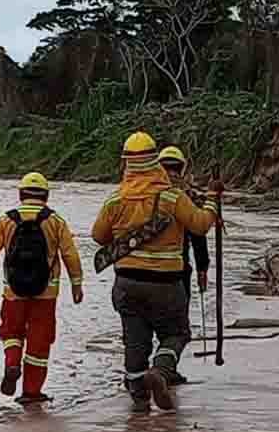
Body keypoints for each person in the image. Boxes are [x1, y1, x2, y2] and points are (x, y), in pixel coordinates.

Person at [92, 132, 220, 413]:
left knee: (135, 340)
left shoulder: (115, 199)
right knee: (176, 333)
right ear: (154, 162)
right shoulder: (172, 198)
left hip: (126, 284)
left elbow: (99, 236)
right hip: (167, 284)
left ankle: (138, 399)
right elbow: (199, 226)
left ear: (125, 162)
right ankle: (161, 371)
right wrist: (211, 202)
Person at [0, 172, 84, 405]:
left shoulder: (6, 220)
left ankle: (12, 362)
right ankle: (31, 392)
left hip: (13, 294)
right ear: (46, 195)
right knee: (40, 341)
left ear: (20, 194)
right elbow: (70, 256)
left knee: (10, 332)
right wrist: (77, 284)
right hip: (45, 295)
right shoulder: (56, 221)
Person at [156, 146, 210, 386]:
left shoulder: (138, 194)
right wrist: (203, 268)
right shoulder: (184, 197)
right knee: (178, 328)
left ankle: (138, 376)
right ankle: (163, 368)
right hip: (176, 273)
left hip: (134, 273)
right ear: (183, 169)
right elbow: (198, 234)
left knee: (145, 328)